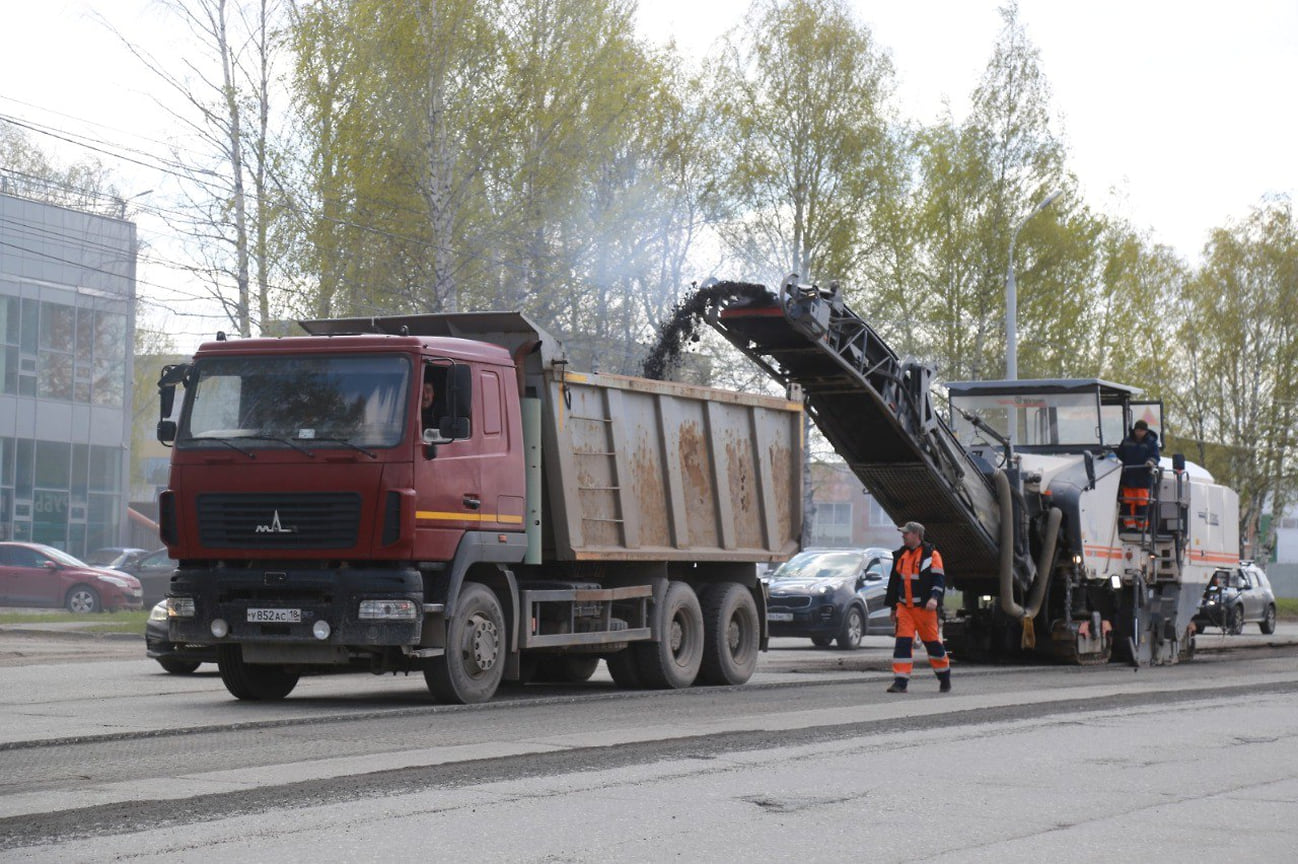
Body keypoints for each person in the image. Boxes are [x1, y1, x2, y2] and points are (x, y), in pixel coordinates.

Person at [883, 521, 951, 694]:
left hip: (925, 609)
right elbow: (894, 582)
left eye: (906, 533)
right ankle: (900, 682)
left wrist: (934, 598)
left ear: (916, 535)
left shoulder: (931, 555)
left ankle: (944, 677)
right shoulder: (901, 555)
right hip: (905, 608)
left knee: (933, 645)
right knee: (902, 644)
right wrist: (892, 607)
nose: (903, 536)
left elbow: (939, 580)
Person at [1116, 419, 1160, 529]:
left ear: (1146, 431)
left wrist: (1150, 462)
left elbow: (1155, 456)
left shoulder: (1151, 442)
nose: (1138, 432)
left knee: (1142, 505)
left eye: (1141, 430)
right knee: (1127, 505)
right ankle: (1130, 527)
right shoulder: (1126, 441)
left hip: (1143, 480)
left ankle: (1142, 529)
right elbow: (1120, 455)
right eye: (1137, 430)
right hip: (1128, 479)